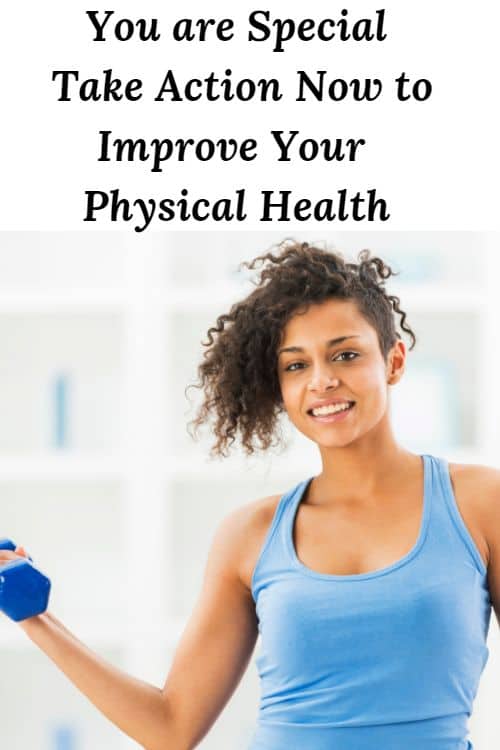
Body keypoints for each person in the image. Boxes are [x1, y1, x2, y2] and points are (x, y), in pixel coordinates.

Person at [1, 240, 498, 750]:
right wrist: (36, 619)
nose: (323, 381)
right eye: (296, 366)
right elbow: (171, 728)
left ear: (393, 361)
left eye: (345, 355)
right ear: (277, 386)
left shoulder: (479, 502)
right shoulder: (251, 535)